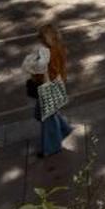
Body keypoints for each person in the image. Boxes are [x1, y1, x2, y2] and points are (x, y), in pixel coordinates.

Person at [25, 23, 73, 158]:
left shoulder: (47, 54)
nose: (39, 41)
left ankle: (52, 147)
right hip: (57, 84)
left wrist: (34, 70)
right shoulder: (60, 48)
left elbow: (47, 72)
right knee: (47, 113)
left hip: (47, 87)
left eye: (41, 39)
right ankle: (64, 129)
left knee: (47, 117)